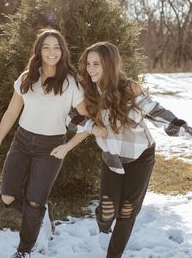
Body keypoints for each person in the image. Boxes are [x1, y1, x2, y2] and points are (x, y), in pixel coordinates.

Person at [77, 41, 192, 258]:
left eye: (96, 64)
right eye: (88, 64)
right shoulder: (87, 90)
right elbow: (72, 117)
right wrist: (92, 127)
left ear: (109, 65)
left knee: (128, 210)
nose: (90, 69)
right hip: (112, 156)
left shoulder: (129, 88)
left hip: (141, 155)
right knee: (108, 210)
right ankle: (103, 225)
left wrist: (183, 127)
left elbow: (155, 111)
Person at [0, 29, 88, 258]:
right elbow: (12, 111)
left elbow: (88, 122)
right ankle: (42, 216)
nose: (52, 52)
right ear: (39, 50)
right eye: (46, 47)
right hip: (22, 141)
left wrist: (68, 146)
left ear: (62, 52)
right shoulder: (26, 78)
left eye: (56, 47)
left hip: (50, 146)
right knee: (7, 197)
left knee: (34, 201)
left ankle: (24, 250)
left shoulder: (71, 83)